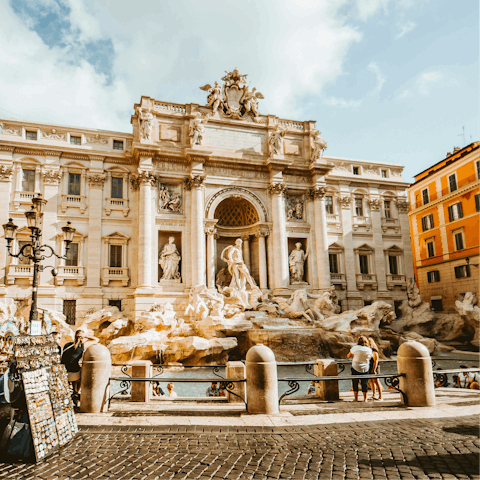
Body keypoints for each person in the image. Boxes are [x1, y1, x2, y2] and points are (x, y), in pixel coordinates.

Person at [347, 336, 373, 402]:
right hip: (365, 368)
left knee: (355, 382)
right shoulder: (369, 349)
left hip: (355, 367)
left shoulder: (355, 348)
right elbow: (370, 357)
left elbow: (348, 356)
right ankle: (365, 399)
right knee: (364, 383)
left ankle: (356, 398)